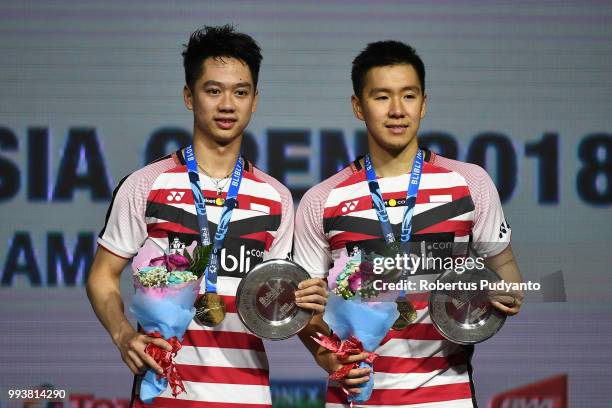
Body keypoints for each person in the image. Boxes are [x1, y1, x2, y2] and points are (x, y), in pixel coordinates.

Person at [86, 25, 327, 407]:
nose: (227, 104)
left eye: (240, 92)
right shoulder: (145, 184)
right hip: (163, 395)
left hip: (248, 396)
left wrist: (307, 303)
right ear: (189, 96)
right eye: (213, 90)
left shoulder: (276, 197)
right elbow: (102, 275)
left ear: (255, 100)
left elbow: (277, 300)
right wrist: (122, 335)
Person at [294, 40, 523, 407]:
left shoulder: (470, 182)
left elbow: (505, 267)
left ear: (424, 103)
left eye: (409, 96)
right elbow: (307, 308)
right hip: (356, 396)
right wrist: (327, 356)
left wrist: (509, 291)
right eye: (382, 97)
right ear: (358, 106)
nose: (397, 110)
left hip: (447, 394)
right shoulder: (322, 199)